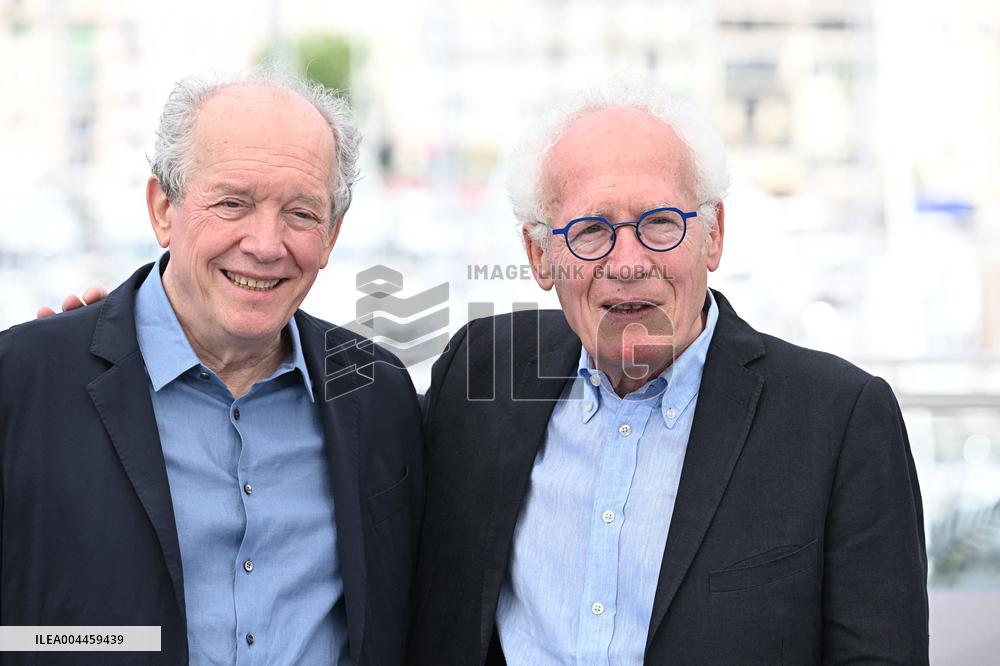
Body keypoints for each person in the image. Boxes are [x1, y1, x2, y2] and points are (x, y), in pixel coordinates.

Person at [408, 83, 929, 664]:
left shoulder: (840, 420)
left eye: (660, 223)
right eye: (590, 231)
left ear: (715, 236)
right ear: (539, 258)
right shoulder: (483, 372)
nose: (628, 262)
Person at [1, 72, 423, 665]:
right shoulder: (26, 382)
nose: (266, 244)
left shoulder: (378, 393)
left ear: (331, 237)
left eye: (302, 213)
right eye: (233, 203)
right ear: (163, 208)